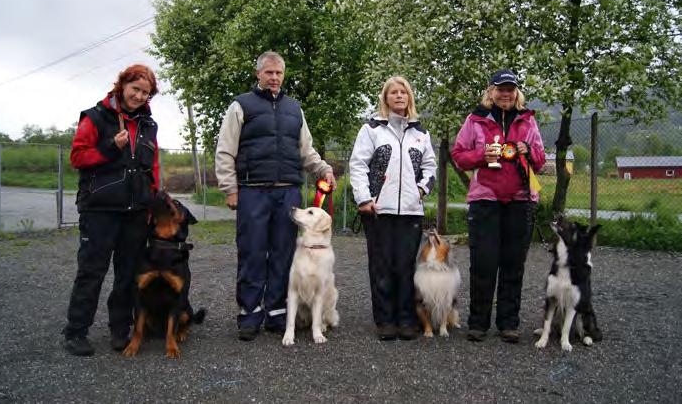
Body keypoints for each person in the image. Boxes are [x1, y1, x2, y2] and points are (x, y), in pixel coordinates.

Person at [215, 51, 336, 341]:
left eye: (279, 73)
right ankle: (249, 314)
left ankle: (277, 313)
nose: (274, 78)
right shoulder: (240, 106)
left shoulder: (295, 109)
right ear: (258, 74)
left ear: (284, 75)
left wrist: (323, 169)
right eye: (269, 72)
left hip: (287, 192)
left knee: (283, 253)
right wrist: (229, 188)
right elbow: (225, 149)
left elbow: (306, 150)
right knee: (252, 252)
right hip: (252, 191)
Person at [62, 64, 160, 356]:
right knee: (92, 271)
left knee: (128, 274)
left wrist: (152, 202)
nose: (139, 96)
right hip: (100, 210)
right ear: (122, 86)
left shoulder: (148, 125)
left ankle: (120, 329)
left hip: (136, 211)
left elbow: (152, 167)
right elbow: (77, 156)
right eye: (135, 89)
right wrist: (109, 147)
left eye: (145, 92)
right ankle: (76, 332)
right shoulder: (94, 117)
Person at [451, 68, 545, 343]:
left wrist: (529, 151)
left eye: (510, 89)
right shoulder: (475, 120)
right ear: (491, 91)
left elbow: (540, 161)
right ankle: (478, 323)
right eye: (500, 89)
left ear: (516, 93)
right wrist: (482, 154)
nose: (505, 94)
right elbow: (458, 155)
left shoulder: (528, 121)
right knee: (483, 262)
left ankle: (508, 323)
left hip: (520, 199)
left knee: (513, 263)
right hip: (485, 199)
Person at [349, 76, 437, 341]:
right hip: (378, 210)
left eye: (404, 92)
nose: (399, 96)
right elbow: (358, 165)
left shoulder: (421, 134)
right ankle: (385, 321)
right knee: (381, 265)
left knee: (406, 266)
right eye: (393, 93)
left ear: (409, 97)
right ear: (385, 98)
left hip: (411, 211)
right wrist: (364, 198)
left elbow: (430, 167)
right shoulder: (371, 129)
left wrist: (421, 190)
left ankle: (407, 320)